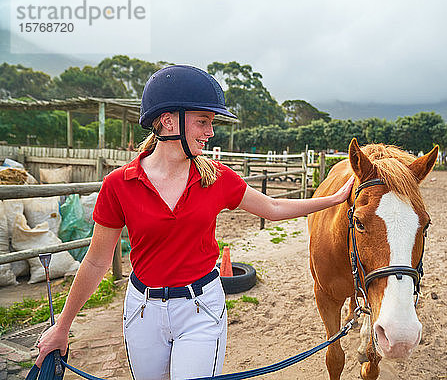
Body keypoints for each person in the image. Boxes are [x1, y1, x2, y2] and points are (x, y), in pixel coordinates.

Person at [35, 65, 354, 379]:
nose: (211, 132)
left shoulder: (217, 178)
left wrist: (334, 199)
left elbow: (271, 207)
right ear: (167, 120)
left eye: (211, 123)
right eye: (203, 122)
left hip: (201, 308)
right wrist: (62, 327)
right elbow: (95, 261)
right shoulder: (119, 185)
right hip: (143, 311)